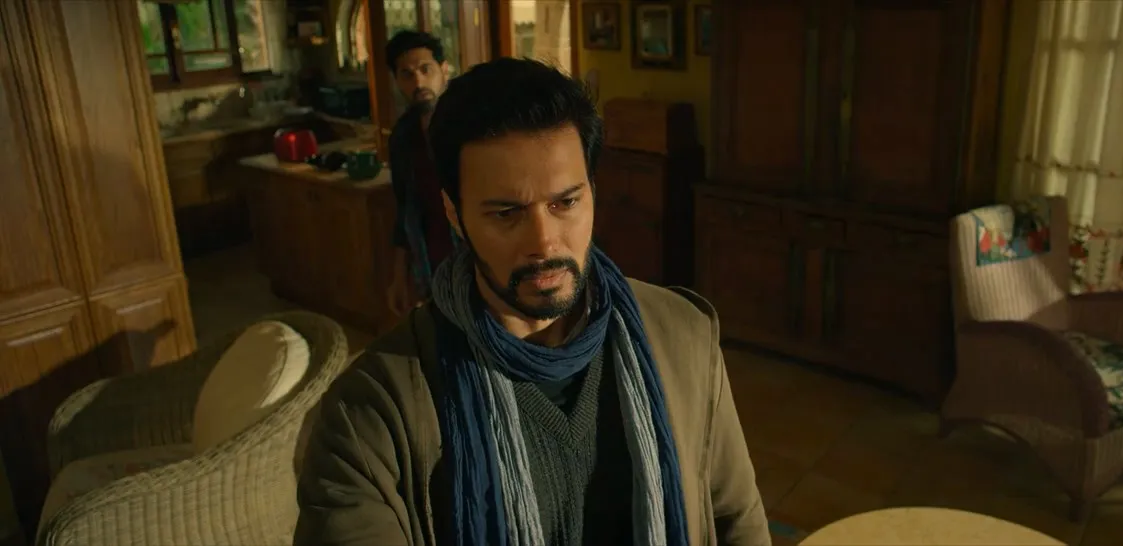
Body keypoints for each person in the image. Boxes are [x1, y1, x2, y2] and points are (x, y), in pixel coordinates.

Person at [295, 57, 769, 546]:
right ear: (454, 213)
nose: (544, 243)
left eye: (565, 203)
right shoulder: (370, 413)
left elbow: (736, 517)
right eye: (506, 213)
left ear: (592, 192)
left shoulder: (684, 335)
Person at [385, 30, 455, 317]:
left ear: (444, 70)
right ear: (397, 81)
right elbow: (404, 211)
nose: (418, 82)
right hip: (431, 266)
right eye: (407, 74)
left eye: (426, 69)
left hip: (479, 258)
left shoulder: (470, 123)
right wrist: (399, 278)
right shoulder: (402, 137)